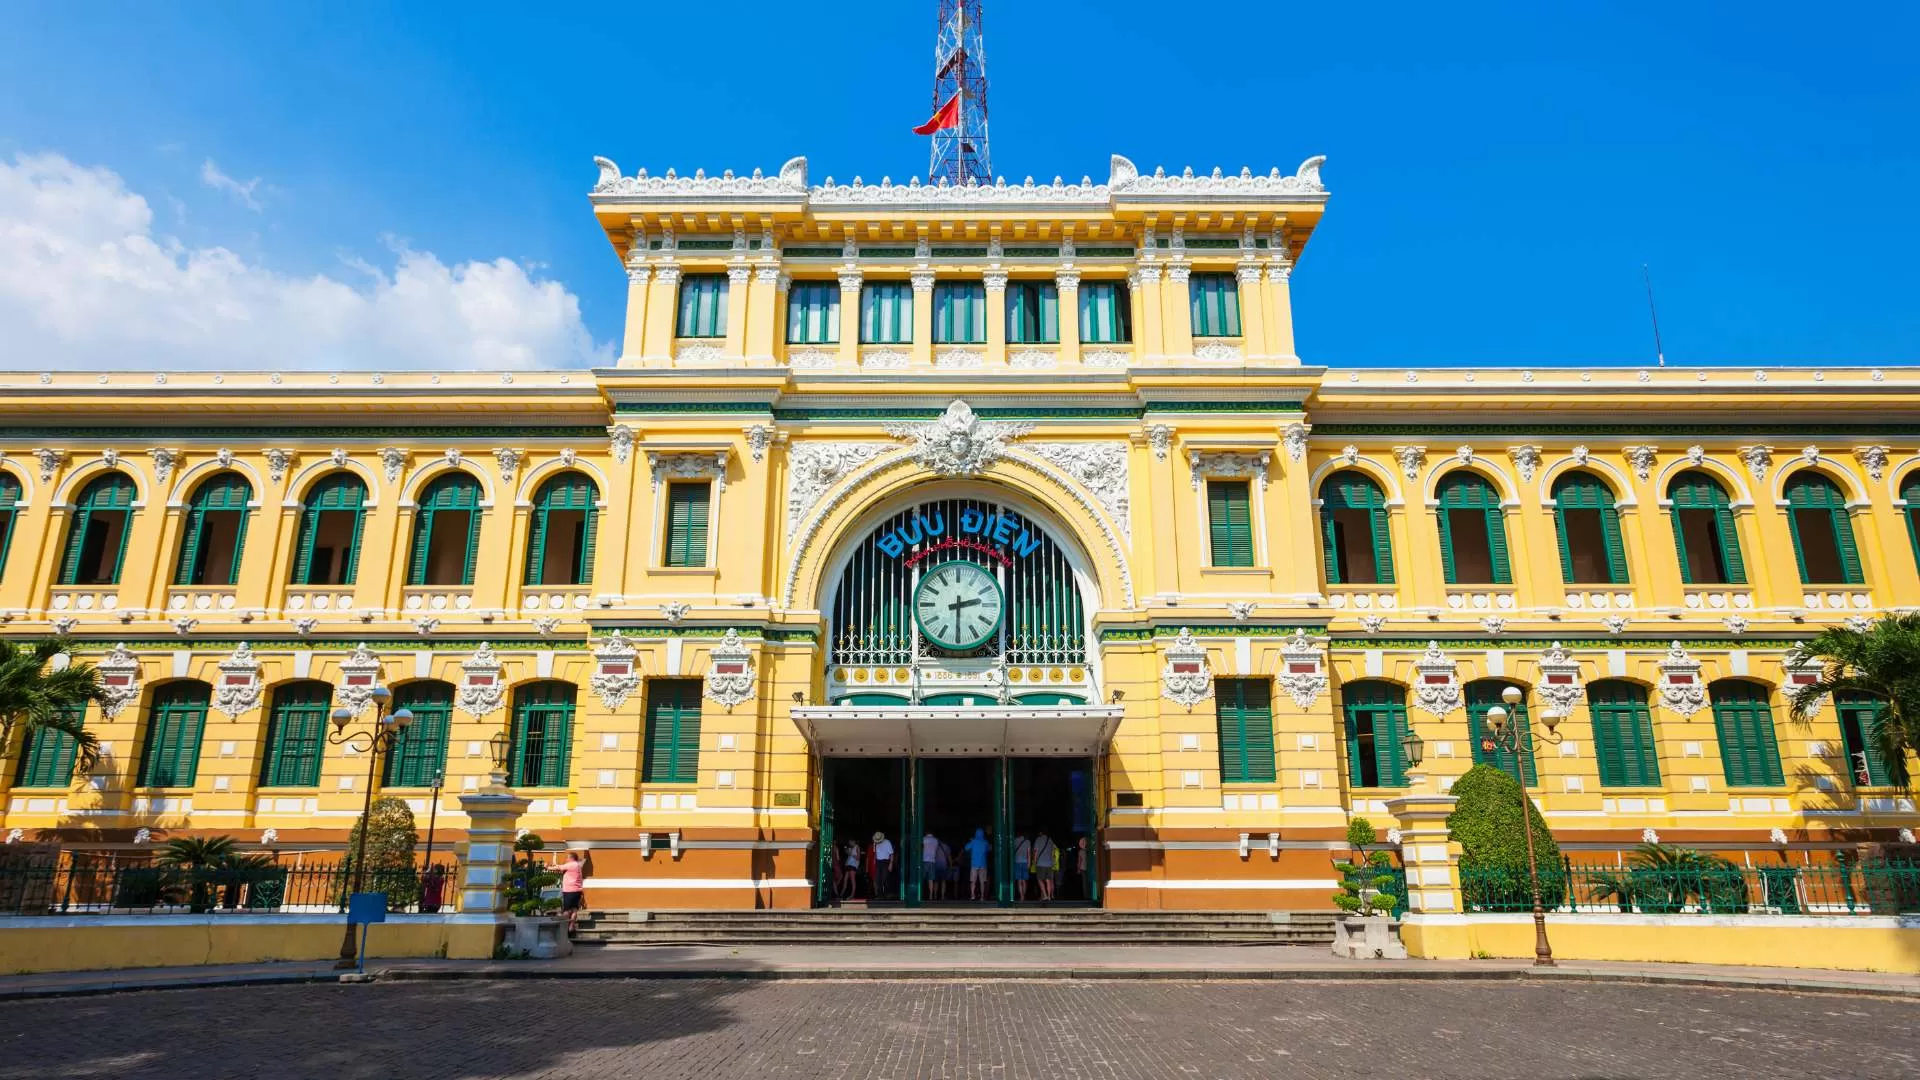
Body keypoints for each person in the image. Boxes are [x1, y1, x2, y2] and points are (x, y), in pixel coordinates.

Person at [554, 848, 588, 934]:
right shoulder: (578, 865)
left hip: (570, 891)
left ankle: (564, 927)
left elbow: (558, 867)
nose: (566, 859)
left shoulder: (571, 864)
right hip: (577, 890)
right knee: (574, 909)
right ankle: (571, 926)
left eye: (567, 858)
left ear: (571, 858)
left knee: (566, 910)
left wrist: (547, 867)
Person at [965, 827, 991, 901]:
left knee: (973, 881)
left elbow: (966, 848)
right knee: (982, 882)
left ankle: (973, 896)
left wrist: (972, 841)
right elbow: (989, 850)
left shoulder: (973, 841)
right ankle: (982, 897)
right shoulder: (985, 842)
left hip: (974, 864)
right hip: (983, 864)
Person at [1033, 829, 1058, 903]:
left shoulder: (1038, 839)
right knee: (1048, 880)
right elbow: (1053, 851)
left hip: (1040, 863)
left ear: (1041, 833)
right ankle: (1049, 896)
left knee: (1040, 879)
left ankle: (1045, 895)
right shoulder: (1050, 840)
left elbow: (1035, 851)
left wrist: (1034, 861)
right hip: (1049, 863)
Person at [871, 831, 895, 899]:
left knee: (885, 878)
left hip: (885, 861)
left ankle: (887, 894)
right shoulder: (876, 843)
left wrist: (891, 863)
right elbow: (875, 853)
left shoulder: (887, 842)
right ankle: (880, 895)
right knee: (878, 879)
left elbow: (891, 853)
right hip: (879, 862)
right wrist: (875, 861)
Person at [921, 830, 942, 902]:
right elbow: (936, 850)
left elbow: (921, 848)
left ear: (926, 833)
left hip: (924, 860)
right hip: (932, 861)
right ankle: (931, 896)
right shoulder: (936, 840)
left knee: (922, 878)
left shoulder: (923, 839)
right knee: (931, 879)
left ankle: (920, 894)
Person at [1012, 830, 1032, 902]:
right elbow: (1029, 854)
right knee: (1024, 881)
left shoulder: (1014, 841)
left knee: (1019, 881)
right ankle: (1024, 895)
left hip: (1017, 862)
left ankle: (1021, 896)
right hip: (1025, 862)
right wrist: (1029, 864)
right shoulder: (1028, 842)